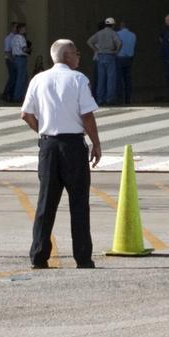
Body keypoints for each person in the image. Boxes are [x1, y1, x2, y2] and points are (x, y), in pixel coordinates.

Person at [19, 38, 102, 269]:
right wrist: (96, 143)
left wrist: (43, 131)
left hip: (48, 145)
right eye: (76, 53)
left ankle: (39, 256)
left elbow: (26, 114)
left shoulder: (38, 79)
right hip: (72, 146)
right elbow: (87, 115)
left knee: (46, 203)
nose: (78, 57)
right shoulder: (78, 79)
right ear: (67, 56)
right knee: (79, 203)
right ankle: (82, 257)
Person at [88, 17, 120, 104]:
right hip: (110, 56)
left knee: (101, 79)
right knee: (111, 78)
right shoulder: (113, 33)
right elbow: (119, 43)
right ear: (113, 25)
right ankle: (110, 99)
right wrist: (116, 51)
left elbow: (89, 41)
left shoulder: (99, 33)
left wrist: (96, 50)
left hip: (100, 56)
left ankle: (100, 99)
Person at [3, 22, 30, 103]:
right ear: (21, 29)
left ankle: (18, 95)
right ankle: (18, 96)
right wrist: (29, 49)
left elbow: (11, 49)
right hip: (20, 58)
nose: (25, 30)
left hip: (15, 58)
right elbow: (24, 49)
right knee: (20, 78)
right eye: (24, 28)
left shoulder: (13, 38)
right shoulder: (21, 38)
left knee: (19, 78)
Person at [114, 18, 138, 105]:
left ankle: (120, 98)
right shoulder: (133, 35)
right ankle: (128, 98)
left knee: (119, 79)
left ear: (121, 26)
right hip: (130, 58)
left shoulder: (117, 34)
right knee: (128, 79)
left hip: (120, 58)